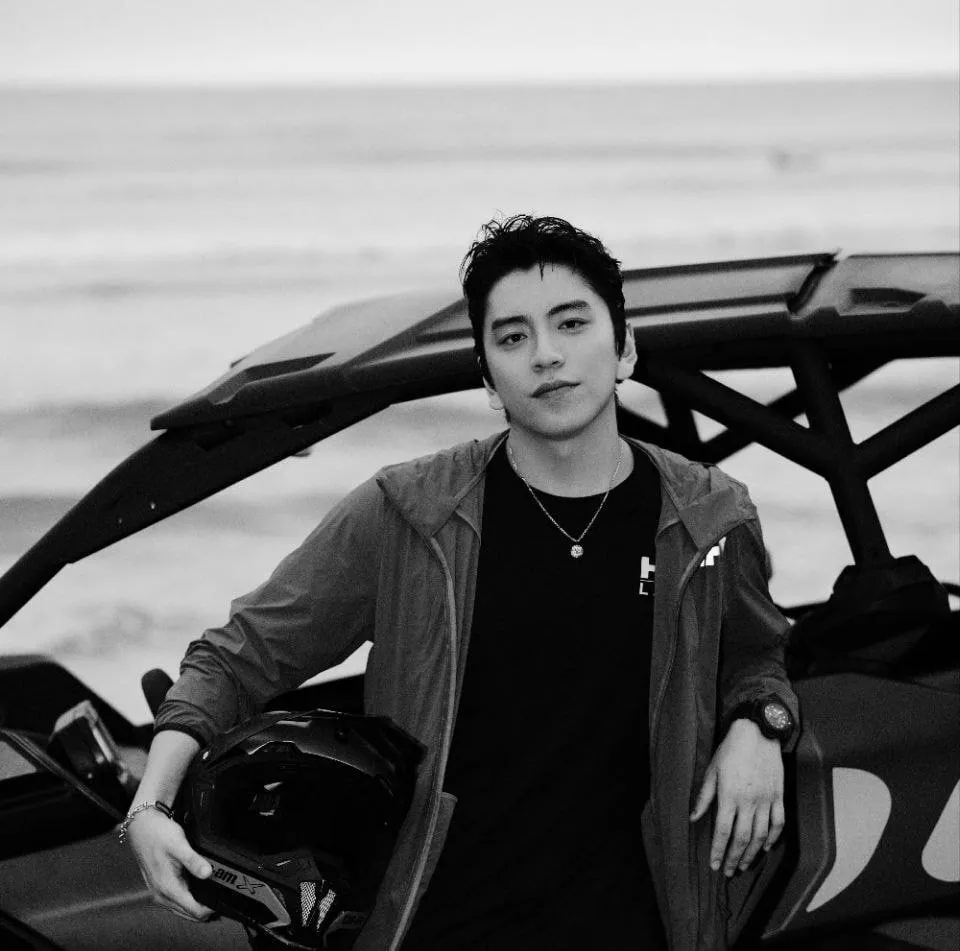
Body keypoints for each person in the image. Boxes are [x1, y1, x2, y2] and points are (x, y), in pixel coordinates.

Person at [126, 214, 799, 951]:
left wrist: (759, 725)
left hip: (637, 926)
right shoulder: (408, 514)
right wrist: (150, 808)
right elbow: (235, 657)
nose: (546, 355)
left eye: (571, 323)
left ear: (625, 347)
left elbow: (757, 653)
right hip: (440, 925)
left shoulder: (709, 519)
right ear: (487, 378)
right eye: (513, 337)